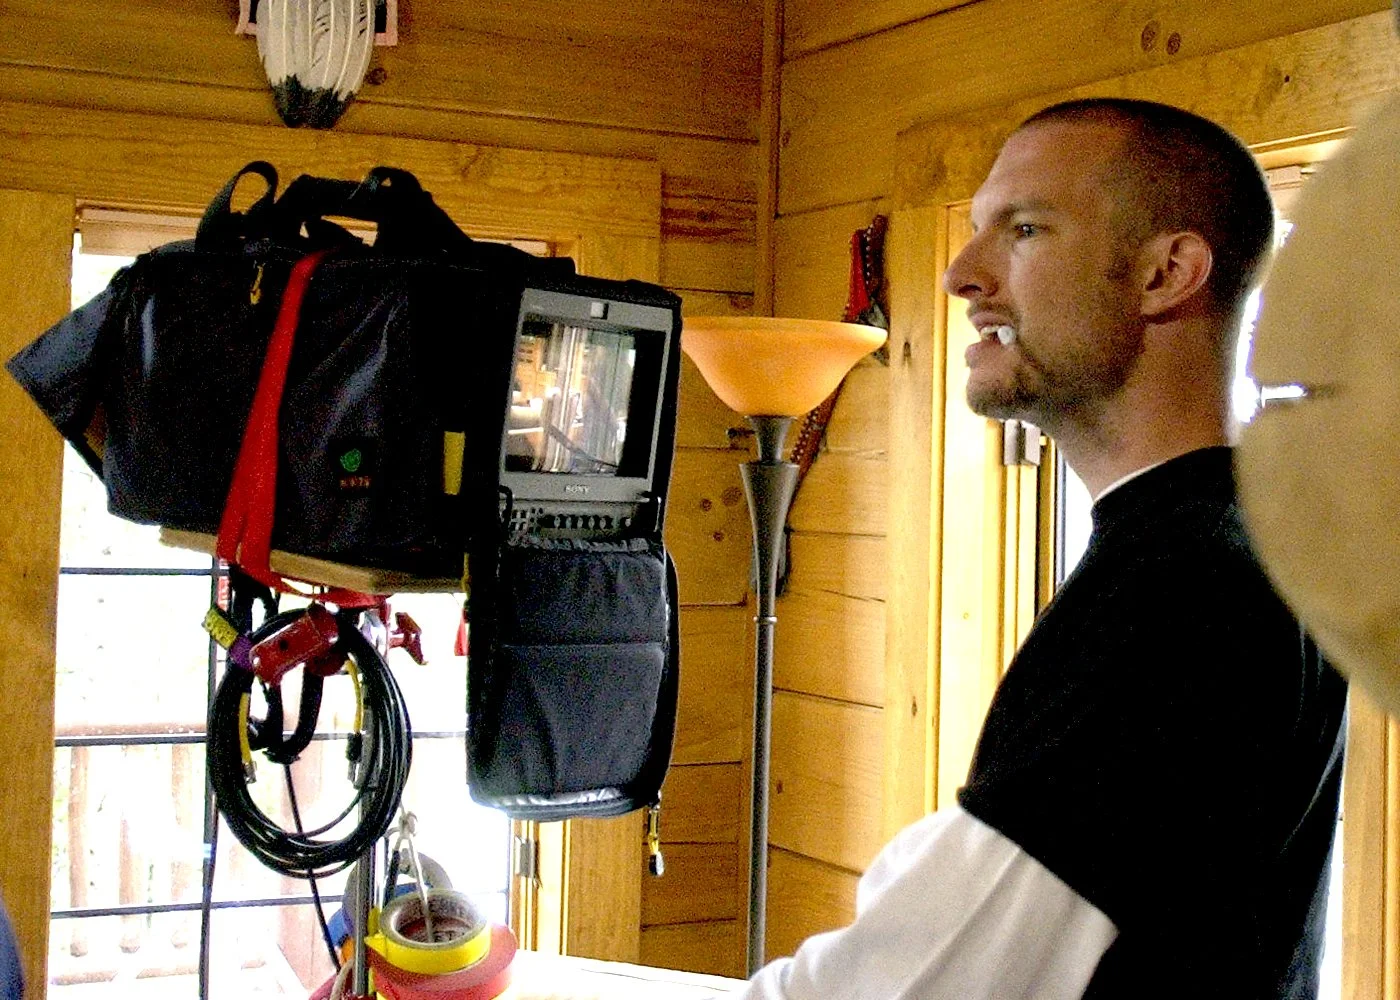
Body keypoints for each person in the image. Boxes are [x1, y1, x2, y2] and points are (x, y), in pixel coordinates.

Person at [738, 99, 1346, 1000]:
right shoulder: (1244, 538)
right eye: (977, 228)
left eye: (1023, 229)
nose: (959, 275)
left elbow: (921, 985)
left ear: (1165, 273)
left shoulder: (1177, 591)